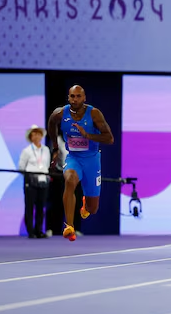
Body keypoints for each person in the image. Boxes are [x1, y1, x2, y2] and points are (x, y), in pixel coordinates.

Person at [47, 85, 114, 242]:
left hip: (92, 160)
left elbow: (110, 139)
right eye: (72, 96)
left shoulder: (94, 114)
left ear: (84, 98)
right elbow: (51, 124)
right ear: (68, 98)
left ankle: (85, 204)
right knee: (69, 180)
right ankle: (69, 227)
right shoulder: (60, 114)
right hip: (74, 158)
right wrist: (55, 149)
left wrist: (87, 135)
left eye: (78, 96)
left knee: (93, 208)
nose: (74, 99)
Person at [18, 125, 51, 239]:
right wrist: (29, 176)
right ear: (31, 137)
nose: (36, 136)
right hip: (31, 180)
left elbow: (46, 164)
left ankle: (39, 230)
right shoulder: (26, 151)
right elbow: (21, 167)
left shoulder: (46, 150)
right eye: (34, 134)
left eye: (38, 134)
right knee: (29, 206)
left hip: (43, 179)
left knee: (41, 206)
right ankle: (30, 231)